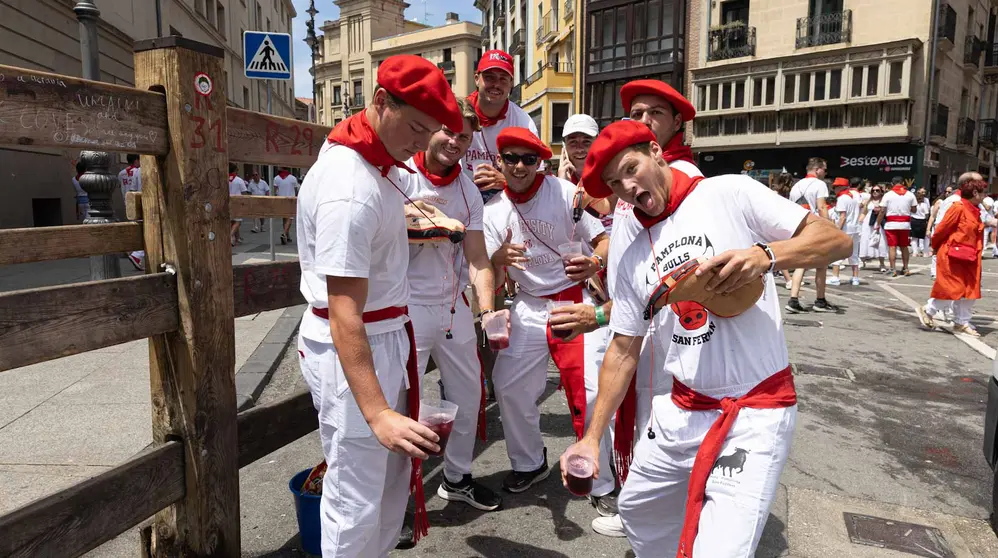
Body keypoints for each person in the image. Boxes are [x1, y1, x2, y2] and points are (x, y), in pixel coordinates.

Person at [564, 120, 851, 557]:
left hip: (755, 409)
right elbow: (622, 350)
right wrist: (590, 437)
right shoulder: (633, 252)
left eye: (631, 168)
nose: (627, 187)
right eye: (615, 184)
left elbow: (836, 240)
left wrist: (765, 255)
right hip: (681, 408)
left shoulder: (728, 192)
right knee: (638, 511)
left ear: (656, 151)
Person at [295, 55, 463, 557]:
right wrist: (377, 413)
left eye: (430, 132)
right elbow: (344, 310)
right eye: (416, 128)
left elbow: (406, 192)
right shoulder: (350, 187)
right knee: (356, 496)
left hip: (386, 334)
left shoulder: (375, 158)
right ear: (381, 102)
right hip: (356, 343)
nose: (422, 143)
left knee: (390, 484)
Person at [482, 127, 610, 501]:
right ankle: (529, 462)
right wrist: (497, 259)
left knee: (589, 387)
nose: (520, 166)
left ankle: (600, 479)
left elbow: (603, 239)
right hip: (529, 302)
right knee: (507, 384)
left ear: (540, 162)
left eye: (529, 159)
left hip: (572, 298)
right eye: (511, 158)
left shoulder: (564, 193)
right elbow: (486, 268)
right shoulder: (493, 211)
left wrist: (595, 262)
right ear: (500, 161)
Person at [399, 97, 503, 513]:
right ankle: (399, 499)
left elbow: (478, 258)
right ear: (431, 129)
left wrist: (488, 310)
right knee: (401, 403)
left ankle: (457, 477)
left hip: (453, 305)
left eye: (464, 136)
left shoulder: (468, 191)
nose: (455, 141)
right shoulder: (402, 175)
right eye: (448, 131)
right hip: (404, 305)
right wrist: (431, 226)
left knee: (469, 393)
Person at [917, 178, 995, 337]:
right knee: (952, 287)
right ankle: (929, 310)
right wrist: (936, 248)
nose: (985, 196)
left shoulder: (976, 209)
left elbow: (984, 224)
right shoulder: (958, 207)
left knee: (970, 289)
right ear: (975, 193)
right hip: (953, 254)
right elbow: (941, 230)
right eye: (984, 193)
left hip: (971, 255)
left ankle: (961, 322)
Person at [464, 50, 538, 201]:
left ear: (511, 84)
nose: (496, 85)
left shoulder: (523, 122)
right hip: (460, 197)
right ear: (477, 79)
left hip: (504, 202)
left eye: (503, 79)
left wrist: (507, 181)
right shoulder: (459, 114)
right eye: (489, 77)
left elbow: (538, 173)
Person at [786, 158, 838, 313]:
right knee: (822, 264)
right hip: (814, 226)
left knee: (801, 263)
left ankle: (793, 299)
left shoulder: (796, 185)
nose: (825, 173)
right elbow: (822, 207)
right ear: (817, 169)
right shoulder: (820, 184)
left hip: (798, 226)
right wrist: (829, 228)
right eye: (824, 169)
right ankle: (820, 301)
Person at [876, 177, 917, 277]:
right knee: (904, 246)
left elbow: (882, 211)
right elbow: (914, 210)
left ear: (892, 183)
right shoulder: (910, 194)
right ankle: (906, 268)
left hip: (891, 224)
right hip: (905, 225)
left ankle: (893, 269)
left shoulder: (888, 195)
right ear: (903, 183)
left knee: (892, 247)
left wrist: (878, 223)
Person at [828, 178, 862, 286]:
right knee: (854, 253)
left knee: (837, 253)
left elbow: (842, 217)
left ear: (841, 187)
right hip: (855, 228)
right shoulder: (853, 197)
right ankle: (855, 278)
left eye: (835, 187)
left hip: (846, 229)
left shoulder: (842, 198)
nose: (834, 189)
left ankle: (835, 277)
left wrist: (838, 230)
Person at [118, 154, 145, 270]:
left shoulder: (121, 173)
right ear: (137, 160)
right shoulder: (140, 170)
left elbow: (131, 189)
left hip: (130, 202)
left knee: (136, 229)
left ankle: (133, 252)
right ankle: (137, 254)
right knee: (145, 230)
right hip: (145, 203)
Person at [770, 172, 795, 288]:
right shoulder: (788, 194)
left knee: (778, 252)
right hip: (782, 223)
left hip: (774, 223)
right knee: (779, 252)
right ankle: (788, 279)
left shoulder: (774, 194)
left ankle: (788, 279)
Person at [273, 166, 300, 244]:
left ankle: (287, 236)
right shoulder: (293, 178)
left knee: (284, 218)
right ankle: (284, 234)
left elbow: (275, 190)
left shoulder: (276, 178)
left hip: (281, 200)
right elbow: (296, 190)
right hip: (290, 200)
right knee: (290, 218)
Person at [228, 164, 248, 247]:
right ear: (235, 170)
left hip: (227, 201)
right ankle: (230, 236)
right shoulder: (239, 180)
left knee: (232, 221)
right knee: (238, 222)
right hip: (237, 202)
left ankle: (237, 238)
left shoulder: (224, 178)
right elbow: (244, 192)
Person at [910, 188, 931, 257]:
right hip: (922, 221)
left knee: (914, 237)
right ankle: (925, 252)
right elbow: (927, 214)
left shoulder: (913, 205)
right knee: (925, 237)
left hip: (913, 220)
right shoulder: (924, 205)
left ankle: (915, 252)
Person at [72, 159, 89, 224]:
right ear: (85, 170)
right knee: (89, 219)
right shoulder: (87, 178)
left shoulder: (73, 179)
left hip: (80, 202)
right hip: (88, 200)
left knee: (83, 219)